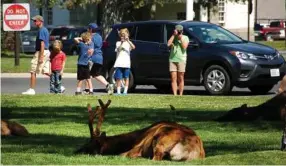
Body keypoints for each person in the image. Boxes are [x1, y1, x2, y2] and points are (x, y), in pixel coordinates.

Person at [22, 15, 50, 95]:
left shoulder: (41, 30)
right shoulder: (44, 30)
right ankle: (59, 86)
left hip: (41, 52)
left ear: (40, 21)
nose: (34, 22)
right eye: (34, 21)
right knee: (46, 71)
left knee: (33, 71)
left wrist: (40, 56)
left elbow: (42, 44)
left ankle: (32, 90)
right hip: (46, 51)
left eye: (35, 21)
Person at [87, 23, 114, 95]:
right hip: (100, 57)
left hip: (93, 57)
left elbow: (90, 48)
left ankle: (89, 90)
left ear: (91, 29)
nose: (88, 30)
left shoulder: (91, 37)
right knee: (96, 74)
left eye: (88, 29)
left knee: (87, 74)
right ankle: (108, 85)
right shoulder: (99, 36)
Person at [167, 24, 189, 96]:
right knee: (173, 78)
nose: (178, 32)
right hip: (173, 59)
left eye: (179, 31)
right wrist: (173, 35)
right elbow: (168, 44)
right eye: (177, 31)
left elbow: (184, 47)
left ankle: (181, 94)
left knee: (181, 77)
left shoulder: (185, 38)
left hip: (181, 59)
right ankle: (175, 94)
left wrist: (180, 38)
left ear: (182, 31)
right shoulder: (173, 37)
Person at [114, 28, 135, 95]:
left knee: (126, 77)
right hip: (119, 63)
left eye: (124, 35)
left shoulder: (129, 43)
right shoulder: (118, 43)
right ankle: (118, 91)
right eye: (121, 35)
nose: (123, 37)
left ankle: (125, 91)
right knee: (118, 78)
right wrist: (122, 43)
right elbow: (118, 49)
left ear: (127, 35)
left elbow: (133, 47)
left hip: (126, 63)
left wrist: (128, 41)